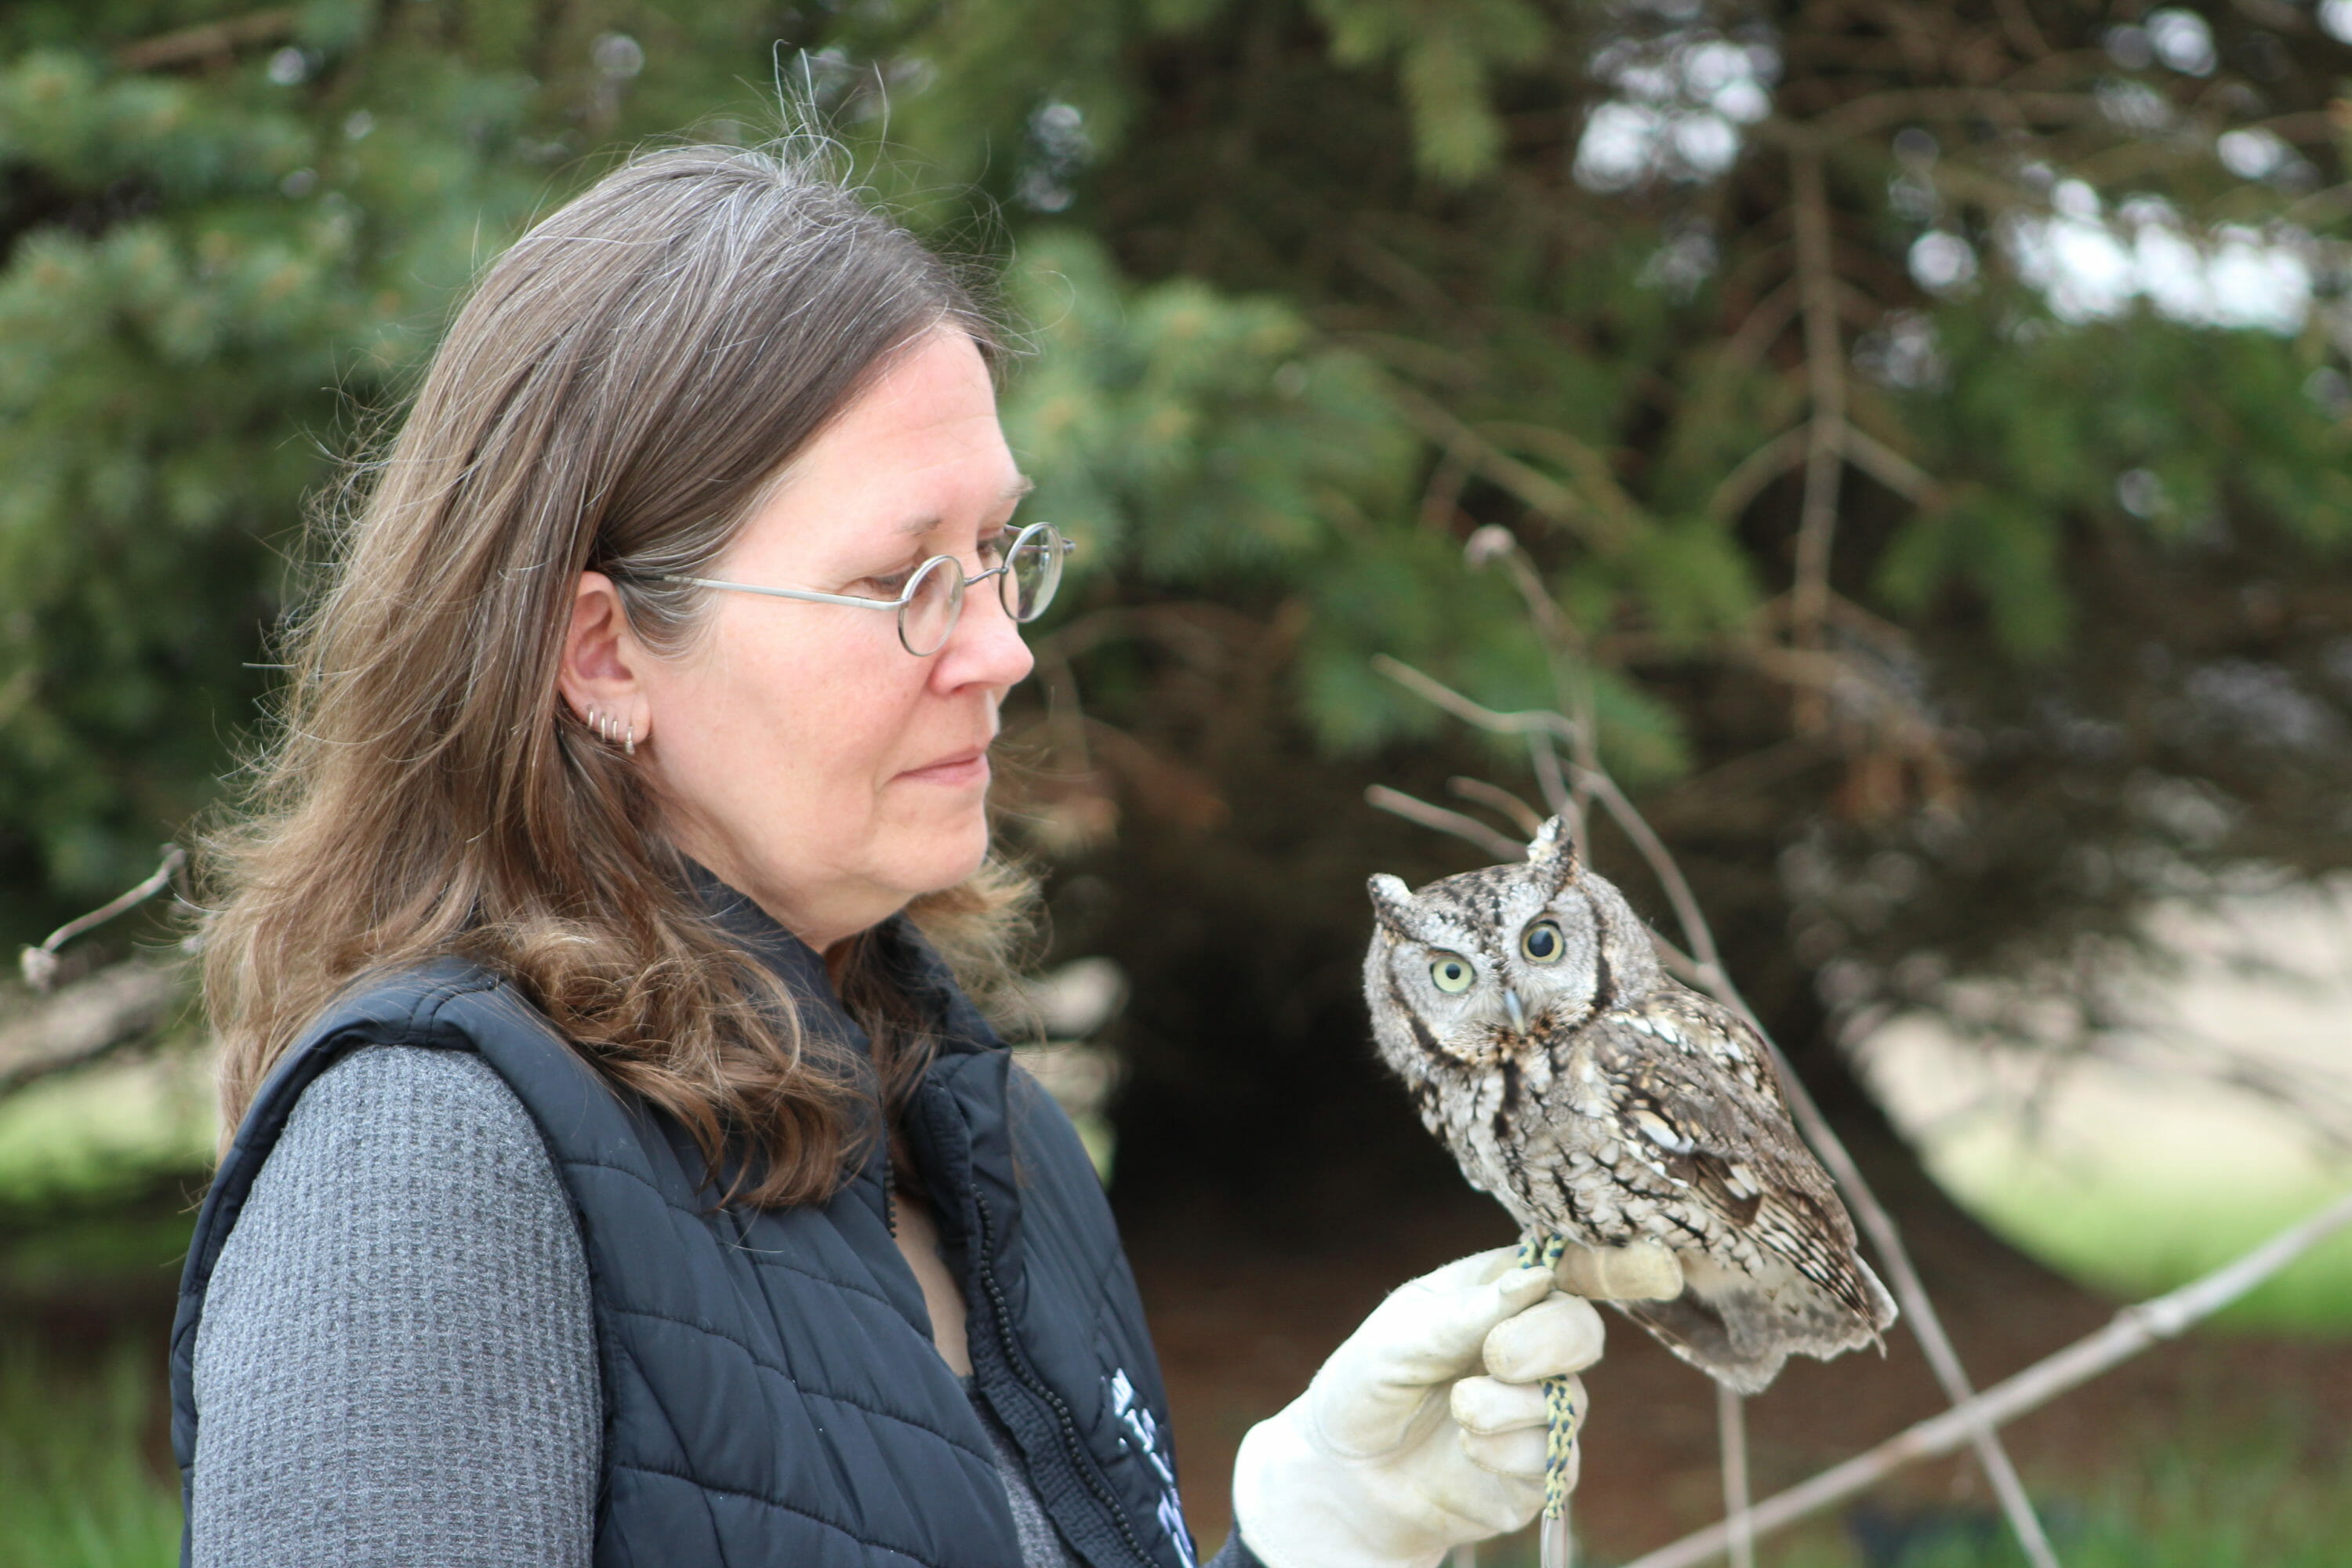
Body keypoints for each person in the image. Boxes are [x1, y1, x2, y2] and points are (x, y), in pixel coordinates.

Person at [168, 140, 1678, 1568]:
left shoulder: (990, 1140)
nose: (1004, 648)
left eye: (1001, 555)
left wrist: (1311, 1539)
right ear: (604, 653)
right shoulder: (426, 1163)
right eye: (902, 580)